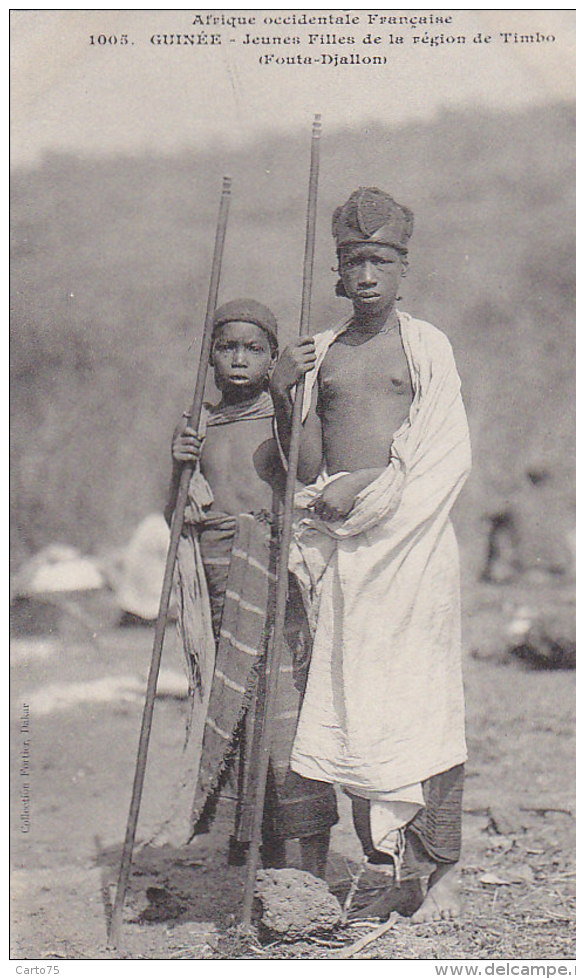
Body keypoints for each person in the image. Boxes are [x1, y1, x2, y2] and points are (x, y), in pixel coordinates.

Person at [270, 188, 472, 921]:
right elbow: (306, 465)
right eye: (354, 261)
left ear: (403, 267)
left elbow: (441, 453)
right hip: (343, 552)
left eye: (380, 260)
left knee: (423, 701)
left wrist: (368, 486)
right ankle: (393, 866)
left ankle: (439, 870)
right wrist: (284, 395)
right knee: (355, 701)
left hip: (410, 546)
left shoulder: (425, 346)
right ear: (337, 270)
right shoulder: (321, 354)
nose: (367, 274)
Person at [157, 298, 337, 878]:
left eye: (254, 349)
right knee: (234, 707)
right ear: (210, 356)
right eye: (227, 347)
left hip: (272, 571)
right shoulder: (199, 424)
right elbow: (176, 518)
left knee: (288, 708)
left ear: (271, 357)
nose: (239, 359)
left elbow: (305, 470)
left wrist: (286, 396)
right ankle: (254, 851)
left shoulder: (282, 408)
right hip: (217, 578)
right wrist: (178, 470)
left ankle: (309, 865)